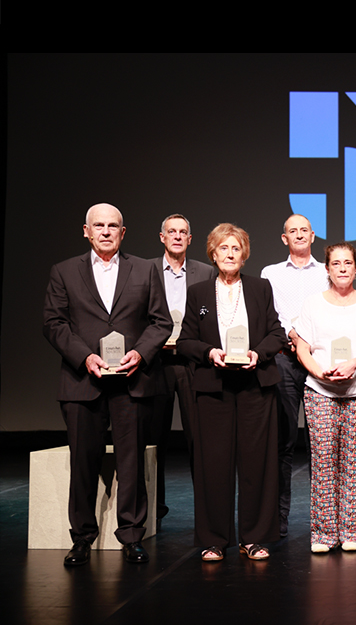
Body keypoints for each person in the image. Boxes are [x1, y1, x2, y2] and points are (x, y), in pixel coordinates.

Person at [44, 203, 172, 566]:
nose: (105, 231)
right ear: (86, 231)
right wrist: (85, 356)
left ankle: (131, 536)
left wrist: (141, 354)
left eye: (112, 226)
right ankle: (82, 537)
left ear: (122, 232)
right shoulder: (64, 271)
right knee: (83, 462)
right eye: (98, 225)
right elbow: (53, 323)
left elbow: (161, 322)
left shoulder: (144, 269)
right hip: (82, 381)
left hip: (132, 381)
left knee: (131, 463)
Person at [177, 223, 285, 562]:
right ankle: (213, 539)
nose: (230, 254)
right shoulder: (197, 292)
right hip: (213, 387)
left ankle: (254, 538)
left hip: (255, 386)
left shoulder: (260, 288)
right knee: (213, 464)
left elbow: (277, 333)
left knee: (257, 464)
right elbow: (185, 341)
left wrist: (258, 354)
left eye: (236, 248)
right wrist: (210, 353)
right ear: (213, 253)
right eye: (223, 248)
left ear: (244, 255)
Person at [294, 242, 356, 553]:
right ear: (327, 269)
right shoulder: (312, 304)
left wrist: (353, 363)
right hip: (320, 391)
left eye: (347, 263)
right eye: (336, 263)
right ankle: (323, 533)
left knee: (355, 463)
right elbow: (302, 347)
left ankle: (352, 531)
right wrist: (318, 372)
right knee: (323, 462)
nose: (342, 268)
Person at [260, 214, 329, 537]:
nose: (299, 235)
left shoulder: (327, 272)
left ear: (313, 236)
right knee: (282, 442)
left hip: (319, 362)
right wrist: (292, 333)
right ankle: (278, 517)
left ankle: (325, 520)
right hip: (284, 360)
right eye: (293, 231)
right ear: (284, 238)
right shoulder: (270, 274)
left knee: (322, 445)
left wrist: (307, 338)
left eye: (304, 230)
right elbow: (269, 314)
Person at [149, 213, 215, 527]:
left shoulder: (205, 271)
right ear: (162, 237)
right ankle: (153, 510)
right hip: (156, 363)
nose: (177, 236)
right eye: (171, 231)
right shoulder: (146, 269)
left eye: (183, 232)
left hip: (191, 362)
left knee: (198, 439)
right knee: (153, 439)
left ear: (190, 239)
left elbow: (211, 315)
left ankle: (206, 513)